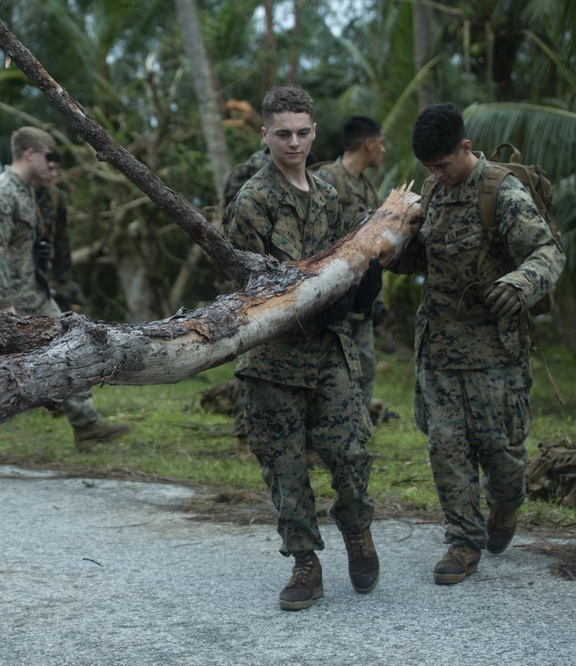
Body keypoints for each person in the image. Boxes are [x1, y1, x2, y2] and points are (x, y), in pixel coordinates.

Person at [222, 85, 381, 611]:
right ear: (265, 134)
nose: (294, 142)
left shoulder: (331, 196)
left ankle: (357, 530)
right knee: (285, 468)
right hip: (272, 355)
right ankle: (304, 564)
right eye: (283, 133)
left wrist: (363, 283)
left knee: (352, 451)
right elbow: (254, 284)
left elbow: (344, 263)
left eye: (303, 132)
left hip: (328, 351)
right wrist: (320, 296)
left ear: (314, 132)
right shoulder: (252, 202)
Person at [394, 103, 564, 585]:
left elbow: (547, 251)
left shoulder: (501, 193)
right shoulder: (434, 190)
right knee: (446, 448)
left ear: (466, 148)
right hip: (440, 348)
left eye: (443, 165)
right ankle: (462, 542)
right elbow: (422, 258)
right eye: (428, 168)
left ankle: (506, 508)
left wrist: (520, 284)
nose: (436, 175)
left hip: (495, 353)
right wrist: (387, 248)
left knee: (502, 454)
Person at [0, 127, 131, 450]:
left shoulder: (26, 191)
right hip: (11, 303)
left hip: (33, 295)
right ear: (30, 154)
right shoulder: (2, 192)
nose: (54, 167)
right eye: (50, 158)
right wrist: (2, 306)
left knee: (71, 347)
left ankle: (86, 424)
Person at [313, 116, 387, 419]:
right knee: (327, 371)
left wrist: (378, 299)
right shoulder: (326, 179)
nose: (383, 151)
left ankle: (357, 429)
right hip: (332, 298)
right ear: (368, 144)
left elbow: (375, 248)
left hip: (362, 300)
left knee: (365, 367)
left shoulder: (367, 188)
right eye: (381, 144)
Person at [33, 149, 83, 313]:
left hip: (41, 270)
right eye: (49, 169)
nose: (53, 174)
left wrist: (63, 280)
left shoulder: (57, 198)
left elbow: (61, 238)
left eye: (56, 169)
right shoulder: (13, 192)